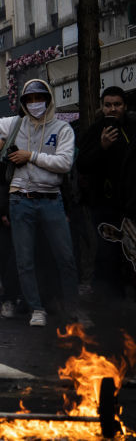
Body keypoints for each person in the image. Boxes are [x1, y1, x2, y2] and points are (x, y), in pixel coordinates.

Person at [0, 78, 81, 327]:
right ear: (23, 103)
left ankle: (73, 308)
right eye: (30, 99)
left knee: (65, 257)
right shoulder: (16, 124)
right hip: (20, 199)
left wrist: (30, 156)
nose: (35, 104)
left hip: (51, 200)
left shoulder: (62, 129)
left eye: (39, 98)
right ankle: (36, 308)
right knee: (24, 259)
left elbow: (64, 163)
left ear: (48, 100)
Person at [77, 86, 135, 298]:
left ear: (125, 106)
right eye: (108, 105)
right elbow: (82, 164)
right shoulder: (95, 131)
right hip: (104, 204)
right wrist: (101, 147)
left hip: (130, 203)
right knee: (108, 251)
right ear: (102, 107)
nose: (113, 109)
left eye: (117, 105)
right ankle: (111, 298)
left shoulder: (133, 127)